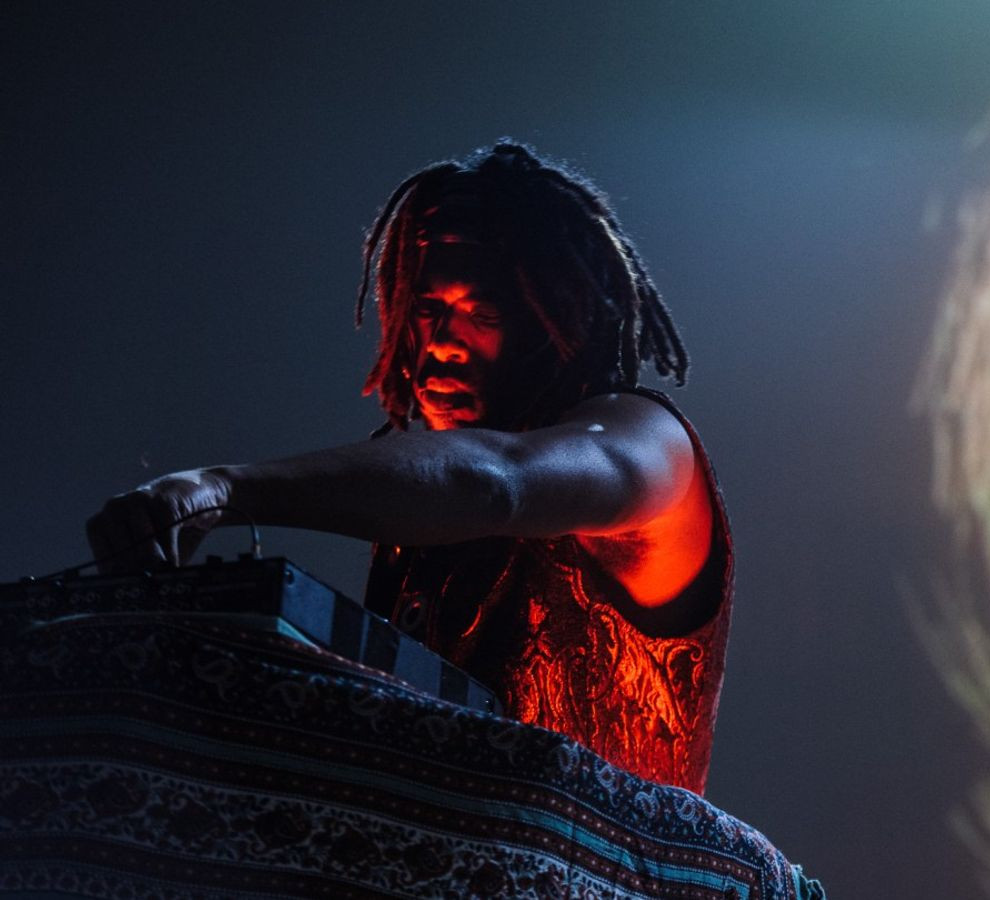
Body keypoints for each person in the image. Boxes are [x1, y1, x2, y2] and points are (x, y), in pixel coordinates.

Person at [84, 141, 733, 794]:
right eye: (427, 310)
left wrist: (223, 489)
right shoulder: (416, 513)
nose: (443, 343)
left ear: (557, 316)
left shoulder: (648, 440)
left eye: (483, 314)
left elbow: (495, 480)